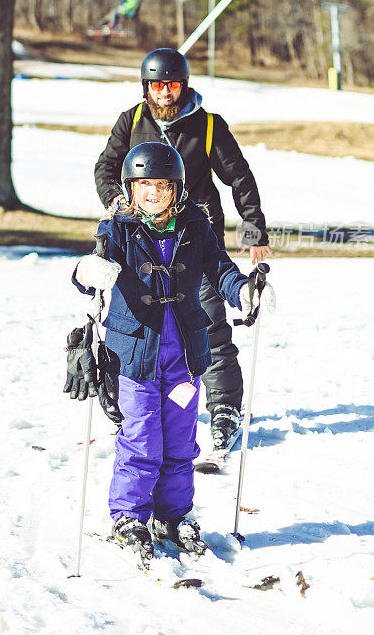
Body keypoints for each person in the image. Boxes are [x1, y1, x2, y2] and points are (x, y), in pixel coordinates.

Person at [71, 142, 274, 561]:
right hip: (134, 358)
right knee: (142, 437)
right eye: (145, 184)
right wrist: (88, 272)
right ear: (130, 186)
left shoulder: (194, 225)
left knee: (180, 440)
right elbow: (92, 269)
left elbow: (219, 267)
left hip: (183, 357)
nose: (154, 193)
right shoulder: (117, 228)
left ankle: (173, 514)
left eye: (163, 185)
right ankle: (129, 514)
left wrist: (245, 292)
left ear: (177, 188)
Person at [95, 47, 273, 452]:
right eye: (156, 85)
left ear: (184, 85)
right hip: (142, 243)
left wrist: (254, 233)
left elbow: (239, 177)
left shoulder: (207, 126)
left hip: (195, 239)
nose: (164, 93)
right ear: (146, 87)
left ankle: (224, 407)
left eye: (172, 84)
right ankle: (136, 402)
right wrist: (114, 202)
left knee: (206, 322)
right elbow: (106, 167)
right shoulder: (132, 121)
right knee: (144, 324)